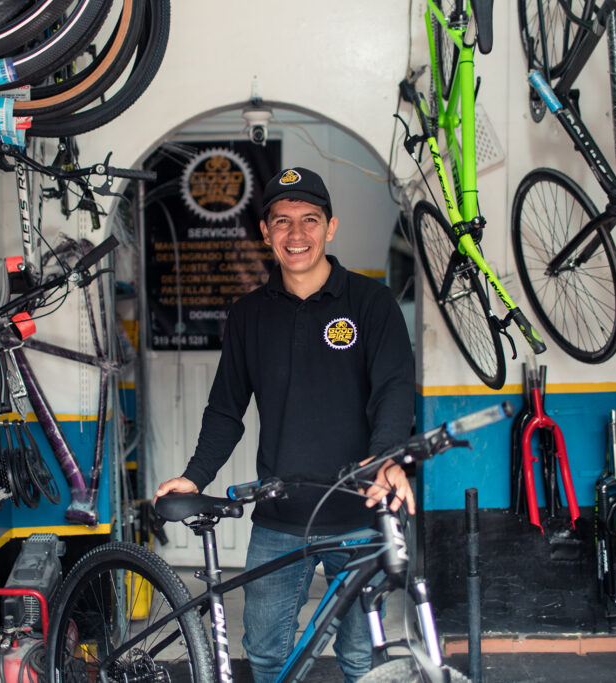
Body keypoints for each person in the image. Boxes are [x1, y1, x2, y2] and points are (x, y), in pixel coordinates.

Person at [154, 166, 415, 683]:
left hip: (359, 516)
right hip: (278, 521)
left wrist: (385, 458)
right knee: (269, 657)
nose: (297, 234)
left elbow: (394, 390)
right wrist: (195, 476)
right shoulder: (250, 315)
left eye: (310, 220)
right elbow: (226, 409)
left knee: (363, 662)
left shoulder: (371, 303)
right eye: (283, 221)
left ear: (331, 227)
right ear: (266, 233)